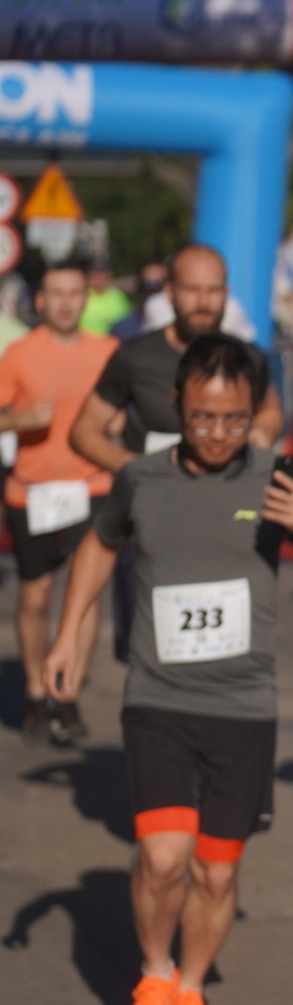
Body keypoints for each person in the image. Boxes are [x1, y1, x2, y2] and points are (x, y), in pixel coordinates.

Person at [41, 334, 293, 1005]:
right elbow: (99, 546)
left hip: (243, 708)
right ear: (177, 404)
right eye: (203, 417)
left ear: (255, 412)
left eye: (235, 419)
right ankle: (155, 976)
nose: (218, 433)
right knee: (162, 858)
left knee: (217, 871)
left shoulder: (278, 481)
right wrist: (67, 636)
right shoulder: (141, 478)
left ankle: (191, 988)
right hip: (160, 700)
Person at [69, 244, 283, 668]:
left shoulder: (247, 357)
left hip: (223, 522)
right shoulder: (135, 356)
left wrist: (262, 431)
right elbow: (84, 432)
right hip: (151, 524)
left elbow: (271, 410)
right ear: (168, 292)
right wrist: (137, 470)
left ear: (227, 293)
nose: (204, 301)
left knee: (222, 650)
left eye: (214, 290)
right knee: (145, 648)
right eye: (192, 289)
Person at [0, 260, 117, 744]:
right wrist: (17, 419)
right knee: (36, 597)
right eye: (57, 293)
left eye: (74, 292)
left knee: (84, 596)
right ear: (41, 300)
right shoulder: (18, 354)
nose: (66, 302)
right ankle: (35, 691)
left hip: (93, 488)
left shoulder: (109, 352)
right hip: (34, 493)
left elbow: (129, 409)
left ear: (86, 298)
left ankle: (65, 696)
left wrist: (118, 425)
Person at [80, 256, 132, 337]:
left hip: (112, 342)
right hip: (85, 342)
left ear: (108, 276)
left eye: (101, 275)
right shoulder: (82, 296)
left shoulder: (118, 298)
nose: (97, 280)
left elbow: (126, 324)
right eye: (93, 276)